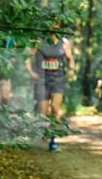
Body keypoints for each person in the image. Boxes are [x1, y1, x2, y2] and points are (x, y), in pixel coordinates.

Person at [25, 21, 74, 151]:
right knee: (43, 111)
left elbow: (70, 58)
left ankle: (53, 139)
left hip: (58, 79)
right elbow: (27, 57)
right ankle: (44, 131)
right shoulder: (39, 42)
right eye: (50, 25)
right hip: (42, 79)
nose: (53, 28)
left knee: (56, 108)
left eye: (56, 25)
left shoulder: (64, 42)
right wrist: (31, 72)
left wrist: (71, 69)